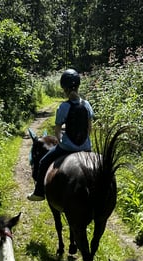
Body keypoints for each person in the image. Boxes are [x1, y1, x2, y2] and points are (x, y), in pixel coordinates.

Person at [27, 69, 94, 201]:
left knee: (43, 162)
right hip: (86, 147)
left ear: (64, 88)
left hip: (67, 148)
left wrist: (61, 140)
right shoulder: (87, 105)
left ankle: (39, 192)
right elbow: (89, 129)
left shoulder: (63, 107)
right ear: (79, 86)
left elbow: (58, 130)